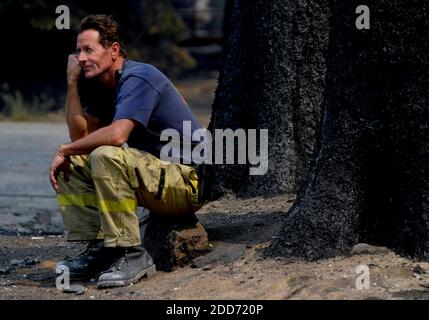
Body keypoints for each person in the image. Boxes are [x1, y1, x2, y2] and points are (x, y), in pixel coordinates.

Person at [49, 14, 204, 288]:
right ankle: (101, 251)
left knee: (104, 154)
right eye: (78, 51)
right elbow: (80, 137)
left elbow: (118, 134)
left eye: (89, 50)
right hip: (156, 177)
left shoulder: (140, 76)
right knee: (72, 163)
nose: (81, 58)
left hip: (187, 181)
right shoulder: (104, 85)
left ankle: (133, 254)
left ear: (114, 50)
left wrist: (65, 148)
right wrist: (72, 84)